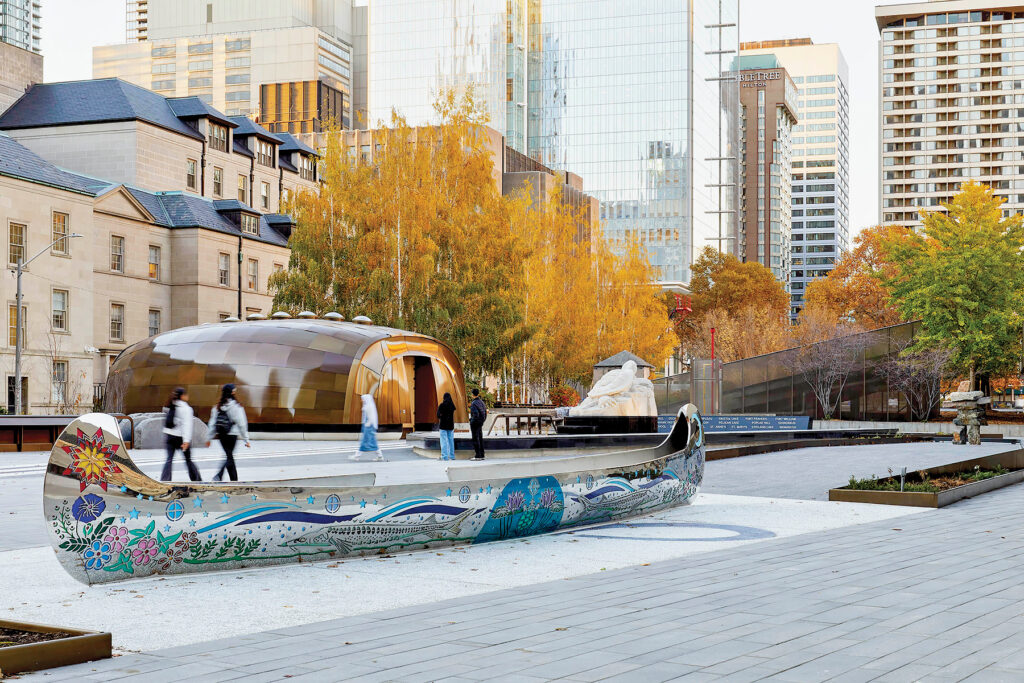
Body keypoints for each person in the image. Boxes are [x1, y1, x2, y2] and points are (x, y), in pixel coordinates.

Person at [206, 383, 250, 482]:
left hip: (221, 435)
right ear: (233, 392)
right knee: (229, 457)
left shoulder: (217, 407)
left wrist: (209, 438)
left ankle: (234, 480)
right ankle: (219, 475)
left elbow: (212, 423)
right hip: (232, 435)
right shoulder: (237, 406)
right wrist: (246, 439)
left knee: (229, 456)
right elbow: (242, 424)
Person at [160, 387, 201, 481]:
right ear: (182, 396)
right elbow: (187, 425)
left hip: (169, 436)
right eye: (186, 394)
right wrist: (186, 441)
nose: (187, 396)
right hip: (180, 438)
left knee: (169, 459)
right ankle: (197, 480)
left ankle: (165, 480)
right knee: (188, 459)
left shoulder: (168, 405)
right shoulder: (187, 409)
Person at [357, 393, 384, 462]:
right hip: (368, 426)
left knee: (366, 441)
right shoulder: (368, 406)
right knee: (371, 442)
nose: (362, 400)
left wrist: (366, 425)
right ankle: (380, 456)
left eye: (362, 399)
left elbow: (370, 417)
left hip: (369, 427)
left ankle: (357, 456)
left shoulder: (368, 407)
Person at [436, 392, 457, 461]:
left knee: (443, 441)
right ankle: (452, 456)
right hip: (450, 426)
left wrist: (442, 415)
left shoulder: (441, 405)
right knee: (451, 441)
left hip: (443, 426)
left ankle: (444, 456)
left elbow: (438, 415)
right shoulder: (452, 405)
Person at [469, 388, 487, 461]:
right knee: (480, 438)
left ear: (472, 394)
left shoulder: (473, 403)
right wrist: (482, 421)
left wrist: (471, 421)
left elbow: (475, 414)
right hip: (480, 422)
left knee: (475, 439)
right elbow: (485, 413)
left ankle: (478, 455)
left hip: (475, 423)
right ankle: (482, 454)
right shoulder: (481, 402)